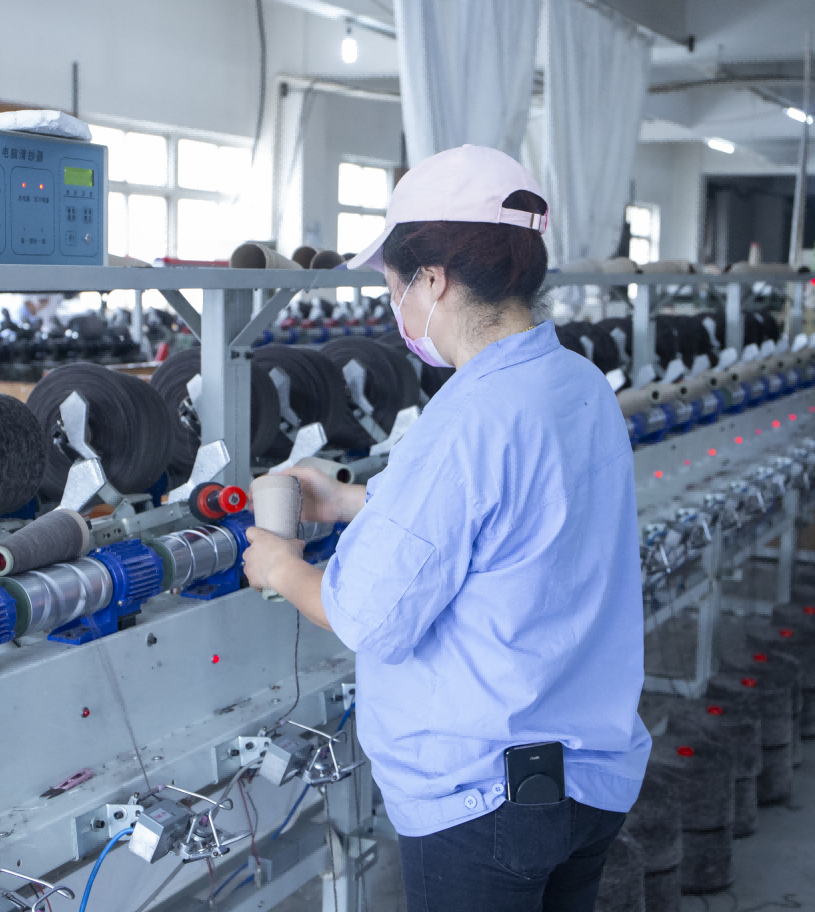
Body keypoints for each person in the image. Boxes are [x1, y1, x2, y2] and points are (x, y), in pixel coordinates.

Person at [242, 145, 650, 912]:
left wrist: (279, 566)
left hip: (485, 800)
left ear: (432, 281)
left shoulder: (466, 419)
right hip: (590, 780)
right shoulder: (578, 384)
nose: (395, 308)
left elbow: (369, 615)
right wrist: (353, 501)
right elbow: (511, 518)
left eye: (395, 287)